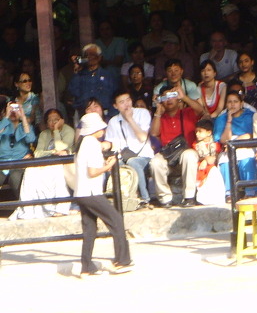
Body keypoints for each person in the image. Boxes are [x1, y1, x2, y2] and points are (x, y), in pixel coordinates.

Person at [74, 112, 133, 277]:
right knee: (116, 220)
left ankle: (86, 267)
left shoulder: (82, 142)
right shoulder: (92, 143)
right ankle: (122, 261)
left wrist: (104, 163)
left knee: (90, 229)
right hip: (91, 193)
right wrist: (109, 166)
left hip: (81, 193)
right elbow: (92, 172)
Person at [10, 109, 74, 219]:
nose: (53, 122)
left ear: (62, 120)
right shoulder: (44, 134)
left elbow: (61, 148)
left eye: (56, 119)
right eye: (50, 120)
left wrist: (56, 131)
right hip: (46, 162)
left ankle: (60, 207)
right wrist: (52, 152)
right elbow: (38, 153)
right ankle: (30, 208)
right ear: (46, 123)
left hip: (62, 163)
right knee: (30, 171)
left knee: (57, 172)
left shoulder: (69, 131)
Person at [149, 85, 203, 207]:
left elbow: (201, 111)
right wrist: (158, 111)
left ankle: (189, 197)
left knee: (189, 155)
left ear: (177, 98)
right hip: (168, 156)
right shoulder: (160, 117)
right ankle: (165, 199)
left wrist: (184, 97)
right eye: (165, 97)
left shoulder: (187, 112)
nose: (168, 100)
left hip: (185, 154)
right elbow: (154, 133)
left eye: (171, 96)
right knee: (155, 162)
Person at [105, 92, 153, 209]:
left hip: (143, 155)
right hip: (123, 156)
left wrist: (130, 119)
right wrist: (112, 158)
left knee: (133, 162)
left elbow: (142, 138)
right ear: (115, 106)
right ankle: (120, 199)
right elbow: (114, 145)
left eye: (128, 100)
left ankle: (144, 198)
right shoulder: (113, 121)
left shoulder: (142, 113)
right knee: (113, 165)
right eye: (122, 102)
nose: (126, 104)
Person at [213, 89, 257, 199]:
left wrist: (237, 143)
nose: (232, 105)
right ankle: (230, 193)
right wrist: (229, 120)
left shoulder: (250, 116)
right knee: (225, 160)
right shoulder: (221, 118)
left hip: (246, 145)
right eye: (229, 102)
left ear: (241, 103)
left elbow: (253, 134)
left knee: (247, 158)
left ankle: (250, 192)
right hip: (228, 146)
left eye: (235, 101)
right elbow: (223, 140)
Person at [67, 43, 118, 119]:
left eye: (92, 54)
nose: (89, 57)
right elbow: (73, 92)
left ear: (99, 57)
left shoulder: (108, 75)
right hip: (83, 114)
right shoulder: (79, 75)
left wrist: (111, 115)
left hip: (105, 114)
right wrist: (77, 71)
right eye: (86, 55)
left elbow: (115, 96)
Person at [0, 99, 36, 198]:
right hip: (2, 164)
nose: (13, 112)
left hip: (19, 164)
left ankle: (23, 204)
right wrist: (6, 117)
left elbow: (31, 139)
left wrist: (23, 117)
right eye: (10, 109)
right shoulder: (2, 125)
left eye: (16, 109)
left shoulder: (24, 127)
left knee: (15, 177)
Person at [193, 118, 225, 205]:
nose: (197, 134)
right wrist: (205, 160)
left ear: (209, 133)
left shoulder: (216, 144)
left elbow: (215, 157)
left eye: (200, 131)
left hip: (214, 166)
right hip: (201, 167)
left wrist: (207, 160)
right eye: (196, 131)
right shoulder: (196, 145)